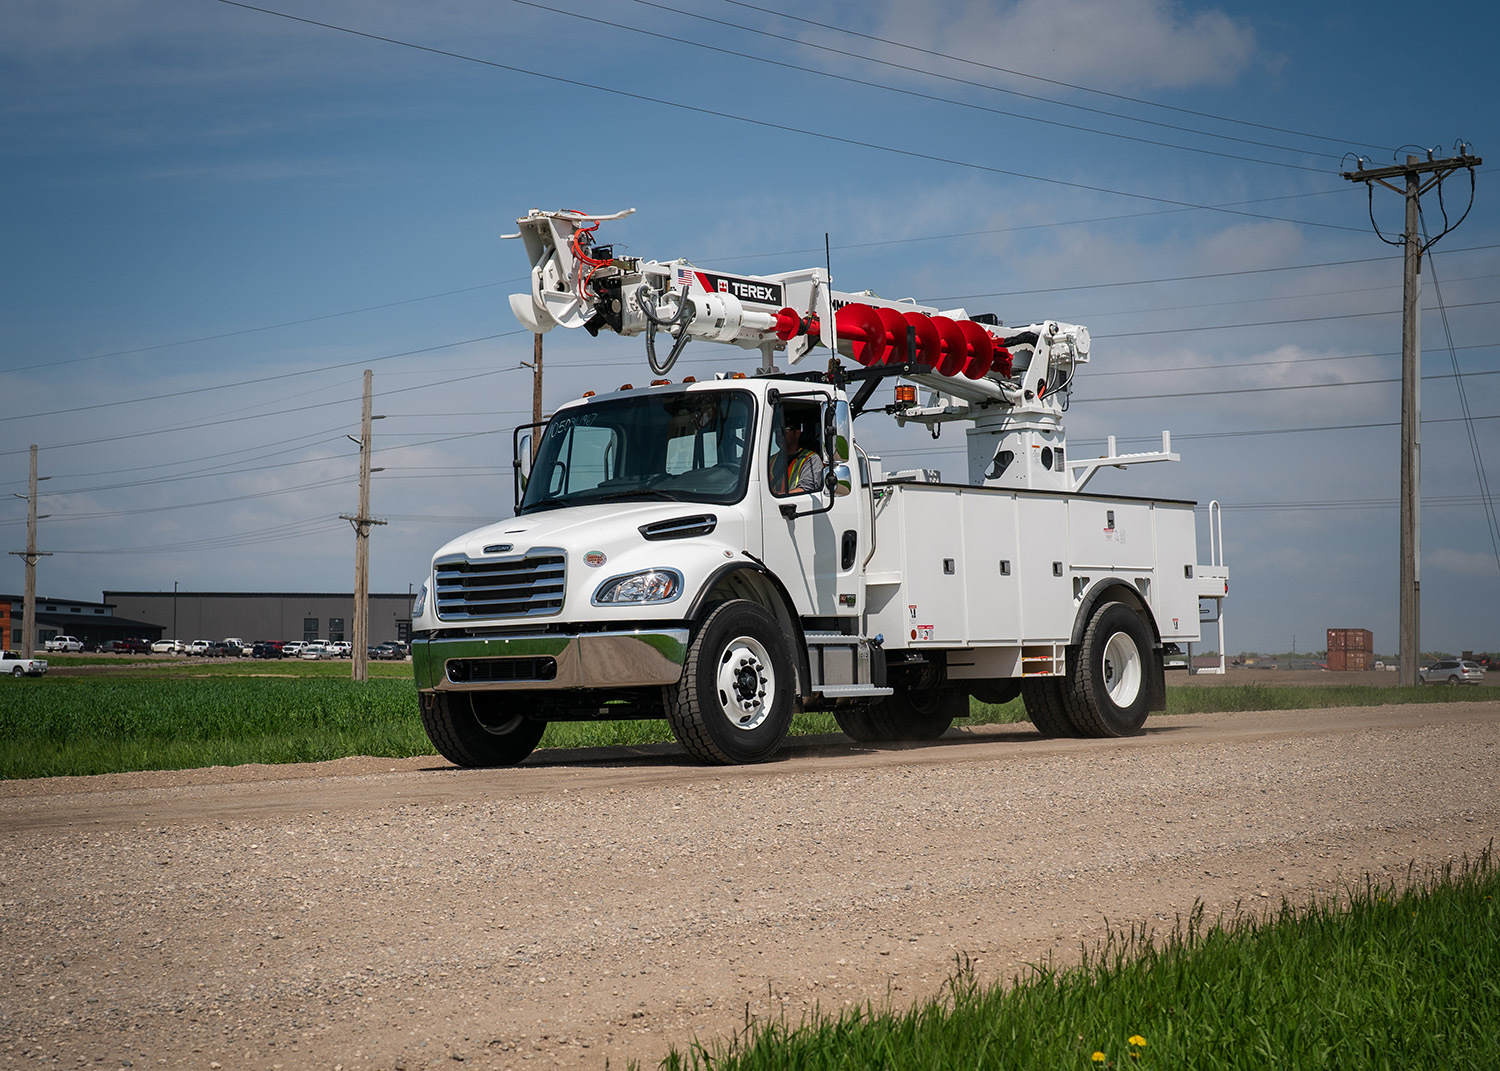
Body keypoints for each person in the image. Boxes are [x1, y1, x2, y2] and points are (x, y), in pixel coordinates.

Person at [771, 410, 825, 495]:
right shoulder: (770, 461)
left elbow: (807, 489)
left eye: (786, 429)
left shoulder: (811, 459)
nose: (779, 434)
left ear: (797, 433)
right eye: (777, 430)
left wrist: (774, 497)